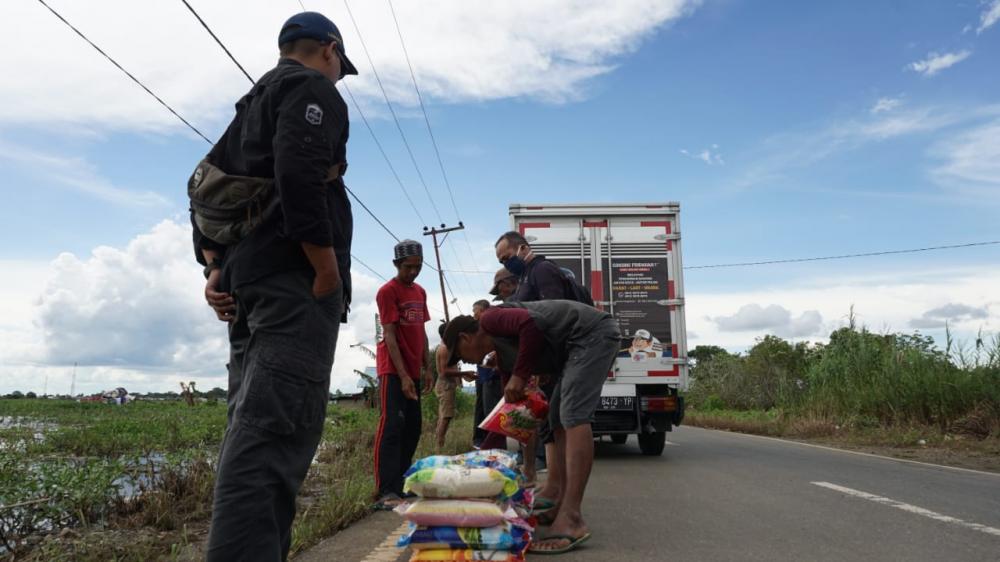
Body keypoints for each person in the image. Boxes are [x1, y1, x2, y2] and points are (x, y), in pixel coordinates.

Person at [194, 11, 358, 561]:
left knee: (253, 426)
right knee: (273, 435)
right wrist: (326, 265)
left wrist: (215, 266)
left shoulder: (253, 101)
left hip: (251, 283)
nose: (338, 78)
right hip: (296, 286)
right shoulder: (311, 87)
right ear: (329, 50)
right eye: (339, 67)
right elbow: (298, 171)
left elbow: (203, 190)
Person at [443, 300, 620, 554]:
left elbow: (531, 325)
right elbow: (507, 415)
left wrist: (520, 376)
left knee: (572, 414)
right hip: (573, 348)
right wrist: (484, 468)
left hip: (590, 335)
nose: (465, 363)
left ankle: (572, 519)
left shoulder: (490, 319)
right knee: (556, 416)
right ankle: (558, 499)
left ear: (465, 337)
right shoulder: (503, 359)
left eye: (459, 355)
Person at [374, 240, 432, 509]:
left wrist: (426, 367)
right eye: (408, 267)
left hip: (413, 370)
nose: (413, 272)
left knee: (413, 427)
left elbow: (421, 332)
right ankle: (385, 490)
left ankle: (401, 484)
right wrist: (403, 375)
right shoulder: (387, 291)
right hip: (392, 370)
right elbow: (390, 334)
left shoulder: (420, 291)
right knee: (392, 427)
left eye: (418, 267)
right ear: (397, 265)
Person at [434, 323, 476, 449]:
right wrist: (464, 373)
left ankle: (438, 443)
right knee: (446, 416)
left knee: (444, 415)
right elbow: (444, 371)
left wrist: (463, 376)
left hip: (447, 384)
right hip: (445, 384)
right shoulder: (444, 349)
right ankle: (439, 446)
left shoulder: (448, 347)